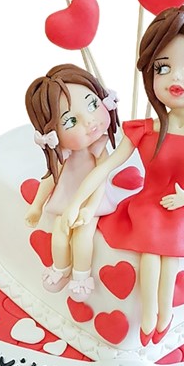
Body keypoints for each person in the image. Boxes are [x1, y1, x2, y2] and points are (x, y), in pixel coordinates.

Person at [62, 5, 184, 345]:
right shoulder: (145, 130)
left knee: (169, 252)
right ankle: (149, 318)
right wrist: (77, 204)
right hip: (147, 205)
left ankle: (164, 315)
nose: (176, 79)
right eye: (163, 68)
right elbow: (106, 166)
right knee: (151, 251)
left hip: (183, 207)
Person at [24, 64, 119, 298]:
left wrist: (90, 208)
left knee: (83, 236)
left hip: (91, 199)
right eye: (70, 121)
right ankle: (61, 269)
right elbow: (52, 177)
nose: (89, 121)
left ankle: (81, 276)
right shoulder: (64, 153)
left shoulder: (99, 147)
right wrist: (36, 205)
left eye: (93, 104)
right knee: (60, 233)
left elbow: (101, 178)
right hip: (67, 196)